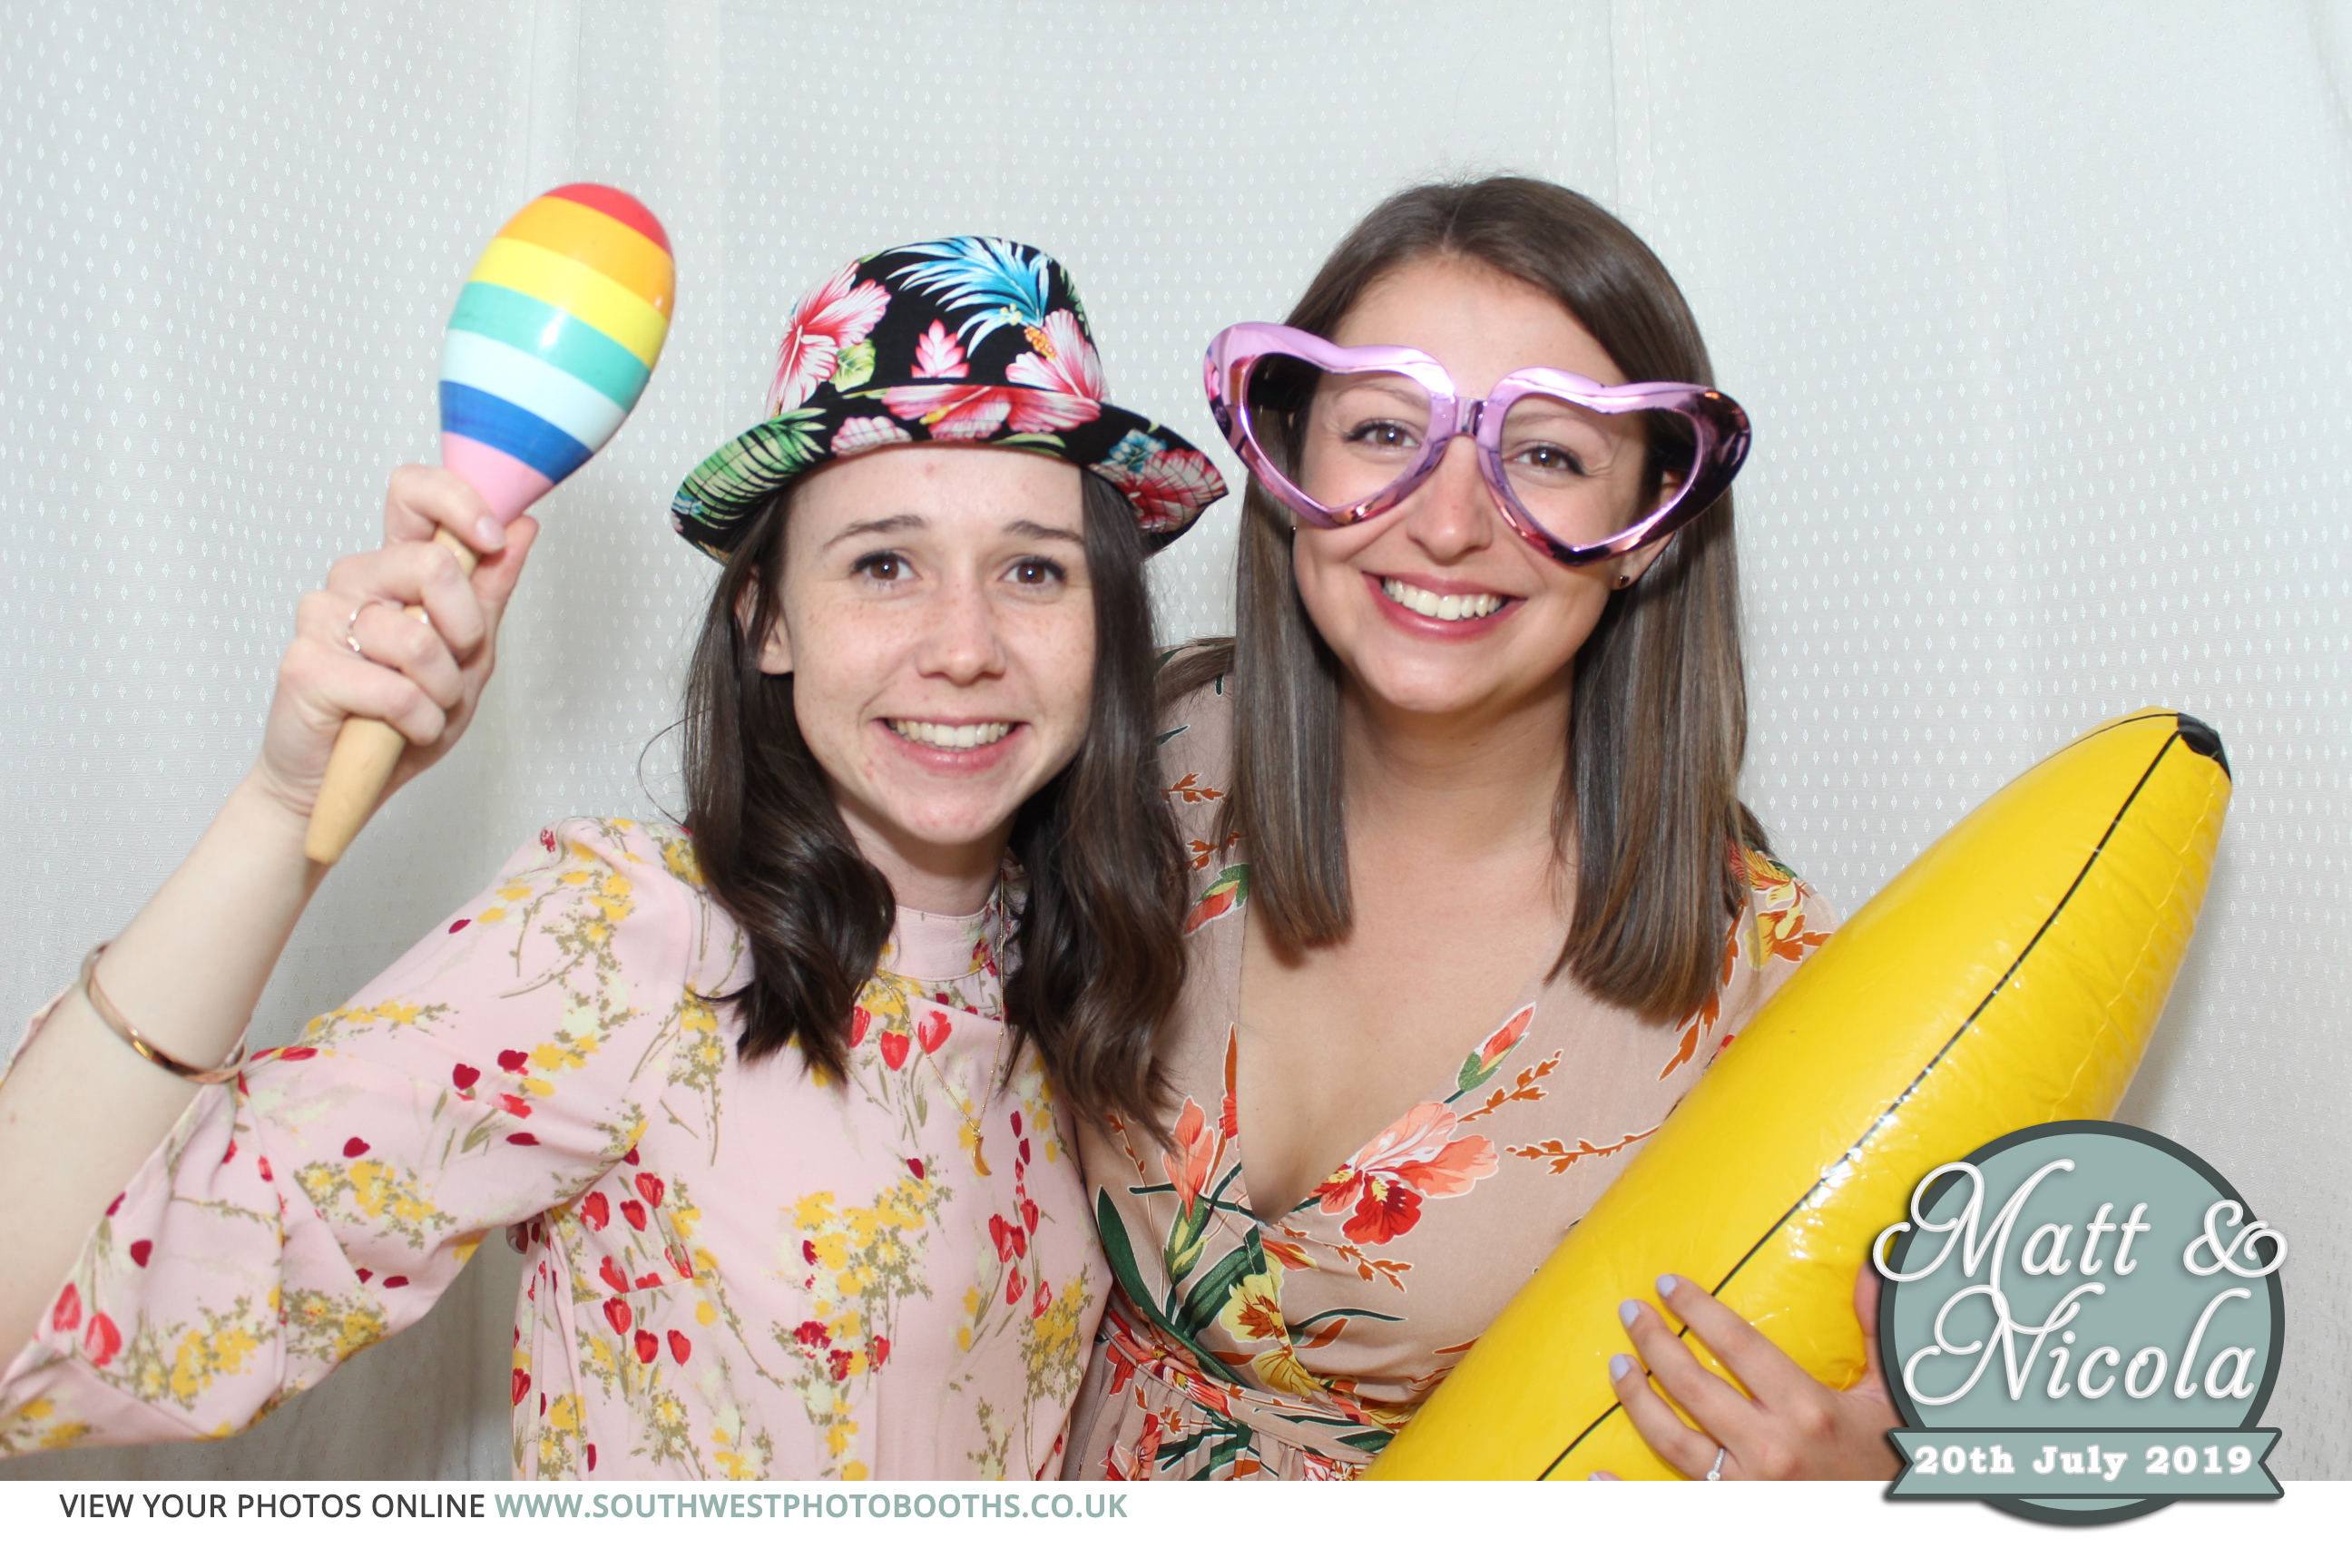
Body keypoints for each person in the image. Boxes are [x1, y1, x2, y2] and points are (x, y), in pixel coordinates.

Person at [0, 238, 1228, 1480]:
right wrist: (283, 807)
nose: (965, 645)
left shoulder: (1075, 961)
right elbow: (35, 1323)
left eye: (1033, 569)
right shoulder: (630, 939)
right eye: (883, 564)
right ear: (768, 624)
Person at [1061, 179, 1900, 1481]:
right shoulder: (1135, 766)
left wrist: (1872, 1498)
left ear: (1651, 531)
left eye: (1550, 455)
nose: (1448, 523)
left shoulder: (1775, 994)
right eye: (1383, 430)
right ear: (1288, 465)